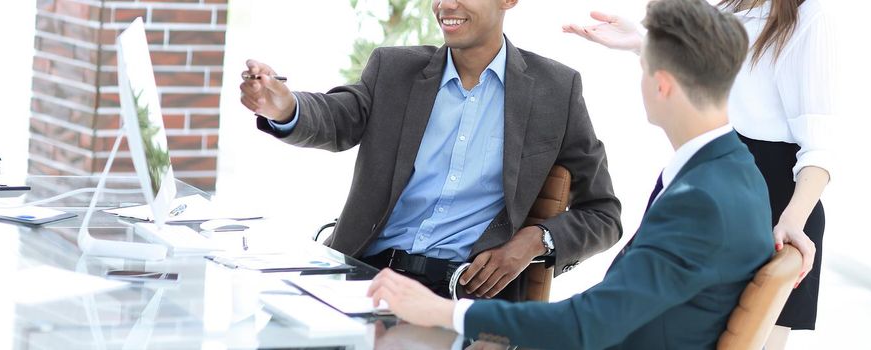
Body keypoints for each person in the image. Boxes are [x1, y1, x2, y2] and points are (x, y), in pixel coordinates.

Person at [367, 0, 775, 348]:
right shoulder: (739, 172)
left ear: (662, 85)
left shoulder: (699, 200)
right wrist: (646, 45)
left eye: (644, 67)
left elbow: (586, 326)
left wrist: (445, 311)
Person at [238, 0, 621, 301]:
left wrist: (536, 239)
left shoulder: (555, 89)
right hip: (361, 274)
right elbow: (339, 116)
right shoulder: (393, 69)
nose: (446, 5)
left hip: (460, 294)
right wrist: (285, 109)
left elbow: (604, 214)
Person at [563, 0, 835, 346]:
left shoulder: (810, 17)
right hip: (716, 180)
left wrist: (793, 220)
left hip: (778, 206)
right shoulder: (731, 7)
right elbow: (712, 79)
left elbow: (820, 146)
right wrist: (644, 42)